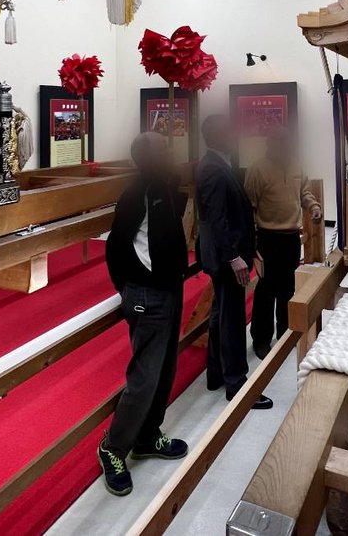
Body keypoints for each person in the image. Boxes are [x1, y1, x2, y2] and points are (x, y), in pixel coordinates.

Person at [96, 131, 190, 497]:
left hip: (169, 289)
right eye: (164, 148)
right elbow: (117, 246)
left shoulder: (163, 186)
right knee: (145, 377)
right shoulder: (137, 194)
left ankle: (148, 435)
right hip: (147, 294)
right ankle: (113, 447)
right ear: (147, 158)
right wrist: (130, 288)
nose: (171, 151)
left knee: (165, 369)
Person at [195, 114, 273, 410]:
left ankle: (216, 373)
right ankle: (237, 384)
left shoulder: (217, 163)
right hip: (227, 257)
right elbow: (217, 219)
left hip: (229, 253)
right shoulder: (213, 168)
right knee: (231, 318)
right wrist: (234, 256)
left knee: (220, 314)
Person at [244, 128, 321, 359]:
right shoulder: (257, 169)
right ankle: (261, 339)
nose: (284, 147)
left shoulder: (296, 165)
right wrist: (253, 240)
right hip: (268, 237)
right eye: (280, 143)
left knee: (288, 286)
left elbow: (304, 192)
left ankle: (285, 332)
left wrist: (314, 207)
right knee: (266, 288)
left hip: (290, 237)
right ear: (270, 143)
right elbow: (249, 205)